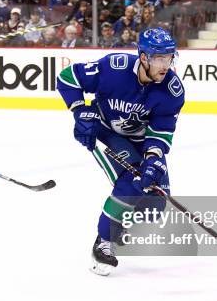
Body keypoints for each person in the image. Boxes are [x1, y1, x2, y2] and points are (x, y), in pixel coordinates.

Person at [56, 28, 185, 275]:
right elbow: (67, 77)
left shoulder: (172, 91)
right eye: (159, 58)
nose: (165, 65)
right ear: (144, 57)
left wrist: (154, 159)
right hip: (106, 132)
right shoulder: (114, 68)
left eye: (169, 58)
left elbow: (160, 132)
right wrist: (79, 110)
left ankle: (120, 219)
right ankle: (103, 242)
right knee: (132, 181)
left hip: (140, 141)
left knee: (154, 204)